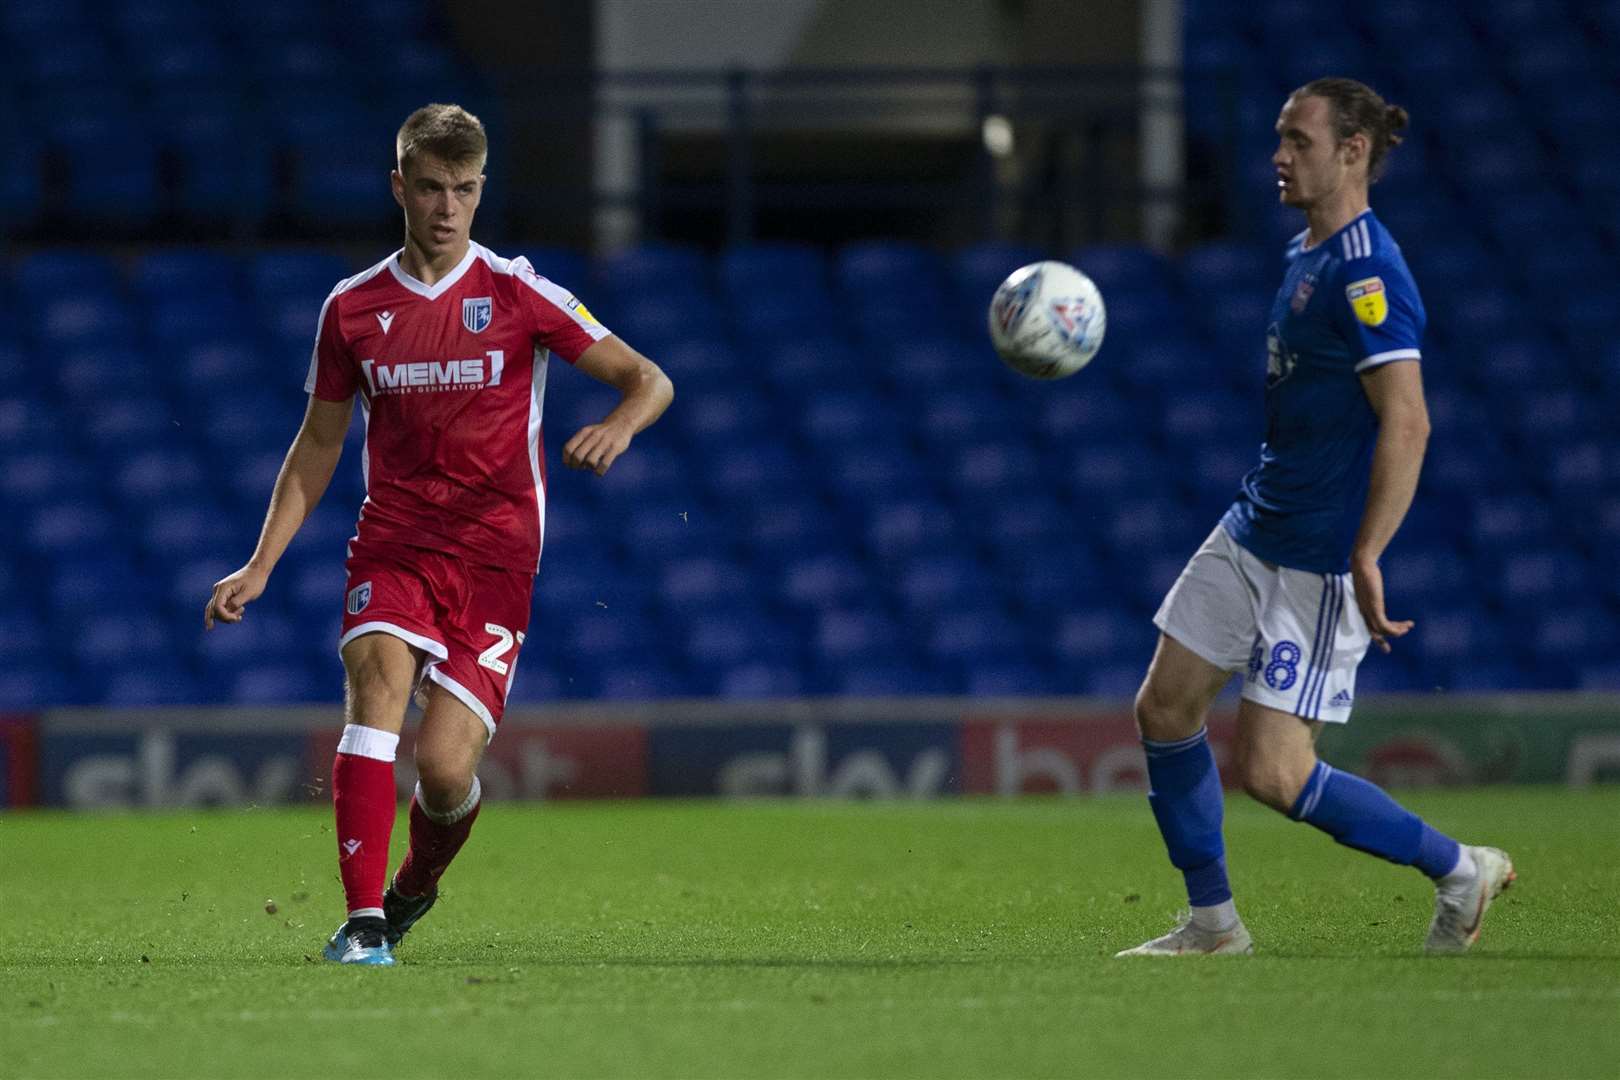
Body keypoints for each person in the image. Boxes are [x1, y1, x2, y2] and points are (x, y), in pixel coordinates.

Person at [204, 104, 674, 965]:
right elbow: (318, 443)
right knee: (376, 683)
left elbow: (649, 378)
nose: (447, 207)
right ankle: (362, 924)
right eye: (430, 187)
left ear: (481, 188)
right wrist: (260, 562)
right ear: (400, 187)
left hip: (497, 558)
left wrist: (621, 426)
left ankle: (413, 885)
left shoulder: (519, 292)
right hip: (394, 542)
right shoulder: (354, 309)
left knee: (448, 773)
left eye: (463, 189)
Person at [1116, 78, 1512, 957]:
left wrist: (1368, 550)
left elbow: (1407, 418)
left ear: (1352, 151)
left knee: (1272, 773)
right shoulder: (1309, 253)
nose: (1278, 156)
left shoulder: (1369, 270)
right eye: (1278, 137)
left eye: (1297, 139)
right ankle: (1213, 927)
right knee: (1164, 707)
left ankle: (1459, 869)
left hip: (1313, 561)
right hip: (1252, 527)